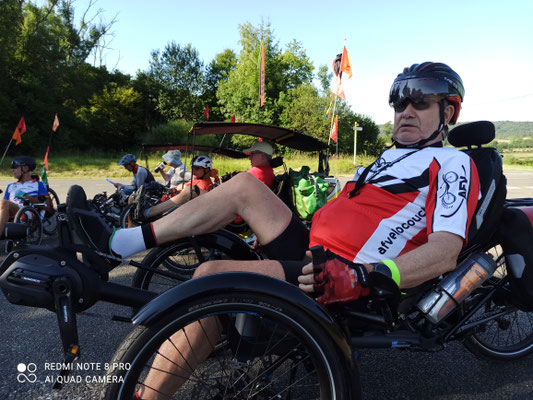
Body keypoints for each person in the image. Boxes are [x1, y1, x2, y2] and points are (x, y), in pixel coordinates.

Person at [70, 62, 480, 398]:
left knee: (213, 278)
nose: (405, 111)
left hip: (337, 273)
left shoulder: (453, 165)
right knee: (245, 186)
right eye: (399, 103)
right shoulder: (388, 158)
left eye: (420, 103)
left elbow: (444, 250)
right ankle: (119, 245)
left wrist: (362, 275)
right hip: (311, 245)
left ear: (448, 113)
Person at [133, 154, 214, 221]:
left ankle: (145, 212)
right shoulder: (197, 179)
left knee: (148, 189)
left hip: (169, 206)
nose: (193, 170)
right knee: (145, 190)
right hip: (167, 197)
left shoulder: (203, 185)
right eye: (192, 167)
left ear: (207, 169)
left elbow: (190, 198)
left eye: (197, 168)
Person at [0, 156, 52, 236]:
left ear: (25, 168)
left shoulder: (38, 184)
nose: (12, 170)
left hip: (26, 212)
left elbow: (48, 207)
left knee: (4, 203)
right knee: (3, 203)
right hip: (10, 211)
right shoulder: (10, 186)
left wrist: (27, 197)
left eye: (15, 167)